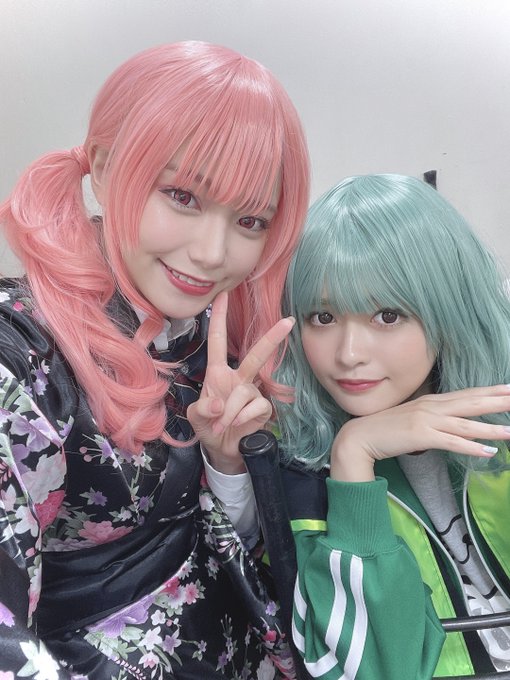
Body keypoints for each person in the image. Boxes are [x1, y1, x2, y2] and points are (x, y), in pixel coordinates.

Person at [0, 42, 310, 679]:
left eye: (251, 220)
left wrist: (227, 461)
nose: (213, 253)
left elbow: (221, 538)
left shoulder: (208, 335)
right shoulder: (22, 359)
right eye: (183, 196)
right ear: (106, 168)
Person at [273, 174, 510, 678]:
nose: (348, 354)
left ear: (449, 308)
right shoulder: (299, 469)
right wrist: (353, 455)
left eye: (386, 314)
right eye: (322, 317)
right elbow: (374, 669)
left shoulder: (502, 422)